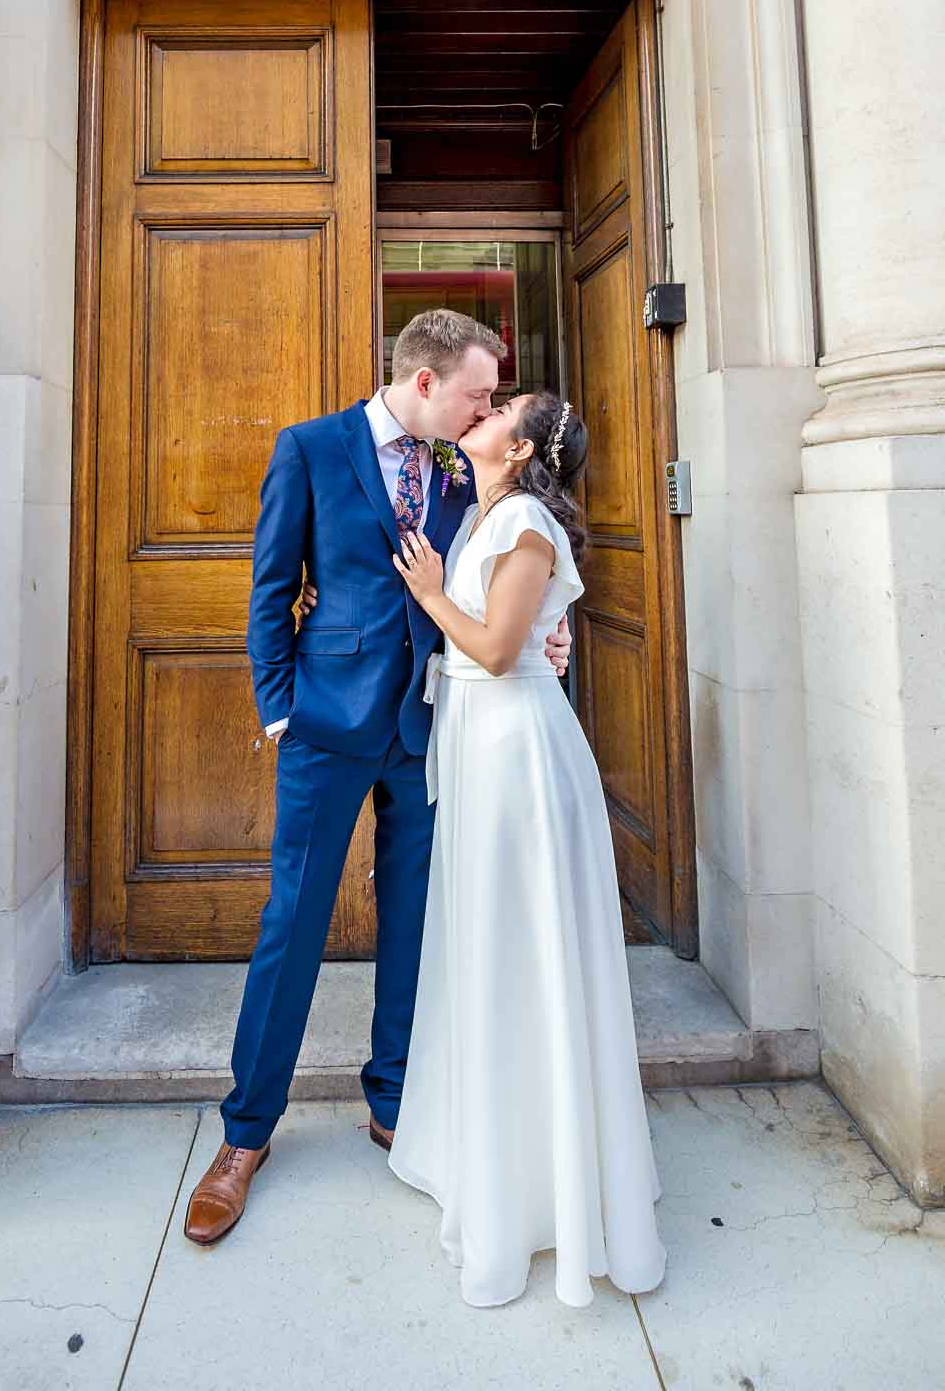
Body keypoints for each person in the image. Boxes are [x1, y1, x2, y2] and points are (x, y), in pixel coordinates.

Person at [183, 311, 572, 1246]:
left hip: (437, 726)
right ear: (428, 381)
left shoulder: (460, 469)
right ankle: (245, 1135)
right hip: (326, 725)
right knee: (294, 922)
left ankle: (394, 1098)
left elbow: (491, 581)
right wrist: (281, 707)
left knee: (417, 924)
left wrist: (541, 638)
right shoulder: (311, 449)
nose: (488, 406)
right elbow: (271, 589)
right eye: (479, 392)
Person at [386, 391, 666, 1310]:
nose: (488, 408)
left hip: (517, 755)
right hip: (478, 741)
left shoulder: (527, 523)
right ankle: (494, 1153)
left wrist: (430, 596)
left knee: (523, 948)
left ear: (521, 446)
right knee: (487, 947)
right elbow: (533, 630)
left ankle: (546, 1188)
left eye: (505, 407)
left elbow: (502, 652)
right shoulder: (488, 512)